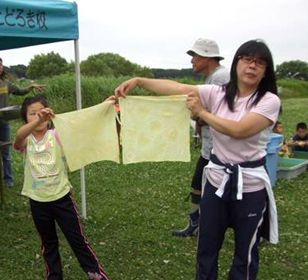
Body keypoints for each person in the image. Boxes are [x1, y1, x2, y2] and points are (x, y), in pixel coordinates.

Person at [115, 39, 280, 279]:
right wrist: (139, 81)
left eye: (260, 63)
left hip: (251, 186)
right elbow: (177, 88)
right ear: (237, 64)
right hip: (216, 182)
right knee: (206, 248)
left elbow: (239, 129)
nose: (252, 66)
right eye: (247, 60)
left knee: (245, 253)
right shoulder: (219, 93)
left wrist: (202, 113)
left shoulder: (269, 101)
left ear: (266, 71)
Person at [14, 94, 109, 280]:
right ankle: (54, 276)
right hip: (38, 201)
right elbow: (18, 136)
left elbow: (81, 124)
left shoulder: (56, 135)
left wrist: (103, 106)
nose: (37, 117)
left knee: (77, 240)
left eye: (40, 112)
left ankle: (95, 273)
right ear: (25, 119)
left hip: (62, 199)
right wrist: (38, 120)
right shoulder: (27, 141)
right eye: (31, 114)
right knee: (48, 243)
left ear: (49, 115)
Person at [172, 38, 230, 237]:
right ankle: (197, 222)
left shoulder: (222, 77)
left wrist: (198, 115)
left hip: (221, 148)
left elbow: (221, 113)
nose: (192, 61)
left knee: (219, 189)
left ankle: (252, 227)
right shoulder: (212, 77)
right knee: (198, 184)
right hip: (210, 146)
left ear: (207, 56)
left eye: (195, 56)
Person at [0, 56, 42, 188]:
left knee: (6, 153)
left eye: (2, 64)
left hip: (4, 123)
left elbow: (20, 92)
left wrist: (31, 87)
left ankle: (8, 180)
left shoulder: (5, 83)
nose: (2, 67)